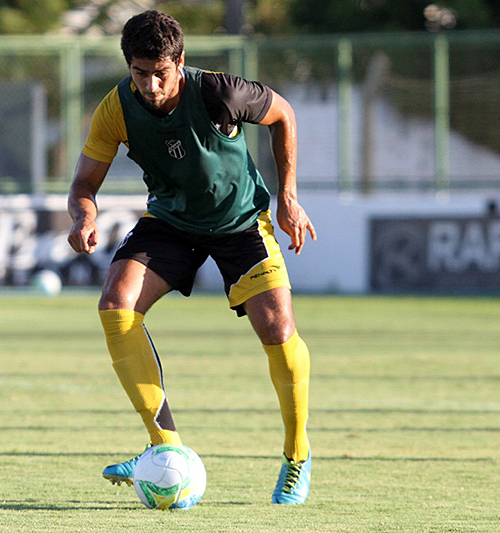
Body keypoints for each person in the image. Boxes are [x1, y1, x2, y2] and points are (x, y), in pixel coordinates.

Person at [67, 10, 316, 505]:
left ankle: (297, 456)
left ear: (179, 62)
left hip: (241, 223)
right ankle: (164, 449)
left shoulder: (219, 93)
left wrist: (287, 194)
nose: (152, 84)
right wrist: (83, 217)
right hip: (171, 224)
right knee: (116, 306)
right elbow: (82, 185)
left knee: (279, 331)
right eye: (140, 73)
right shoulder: (116, 108)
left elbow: (283, 114)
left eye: (161, 72)